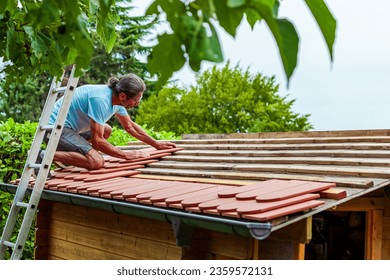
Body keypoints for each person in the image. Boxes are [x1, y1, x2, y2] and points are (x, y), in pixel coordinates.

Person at [43, 73, 177, 170]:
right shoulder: (101, 99)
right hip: (53, 131)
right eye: (136, 100)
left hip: (68, 131)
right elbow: (97, 141)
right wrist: (126, 155)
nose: (137, 104)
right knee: (97, 162)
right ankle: (45, 155)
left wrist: (156, 144)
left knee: (106, 129)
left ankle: (71, 157)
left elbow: (130, 126)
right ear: (123, 96)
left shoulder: (117, 100)